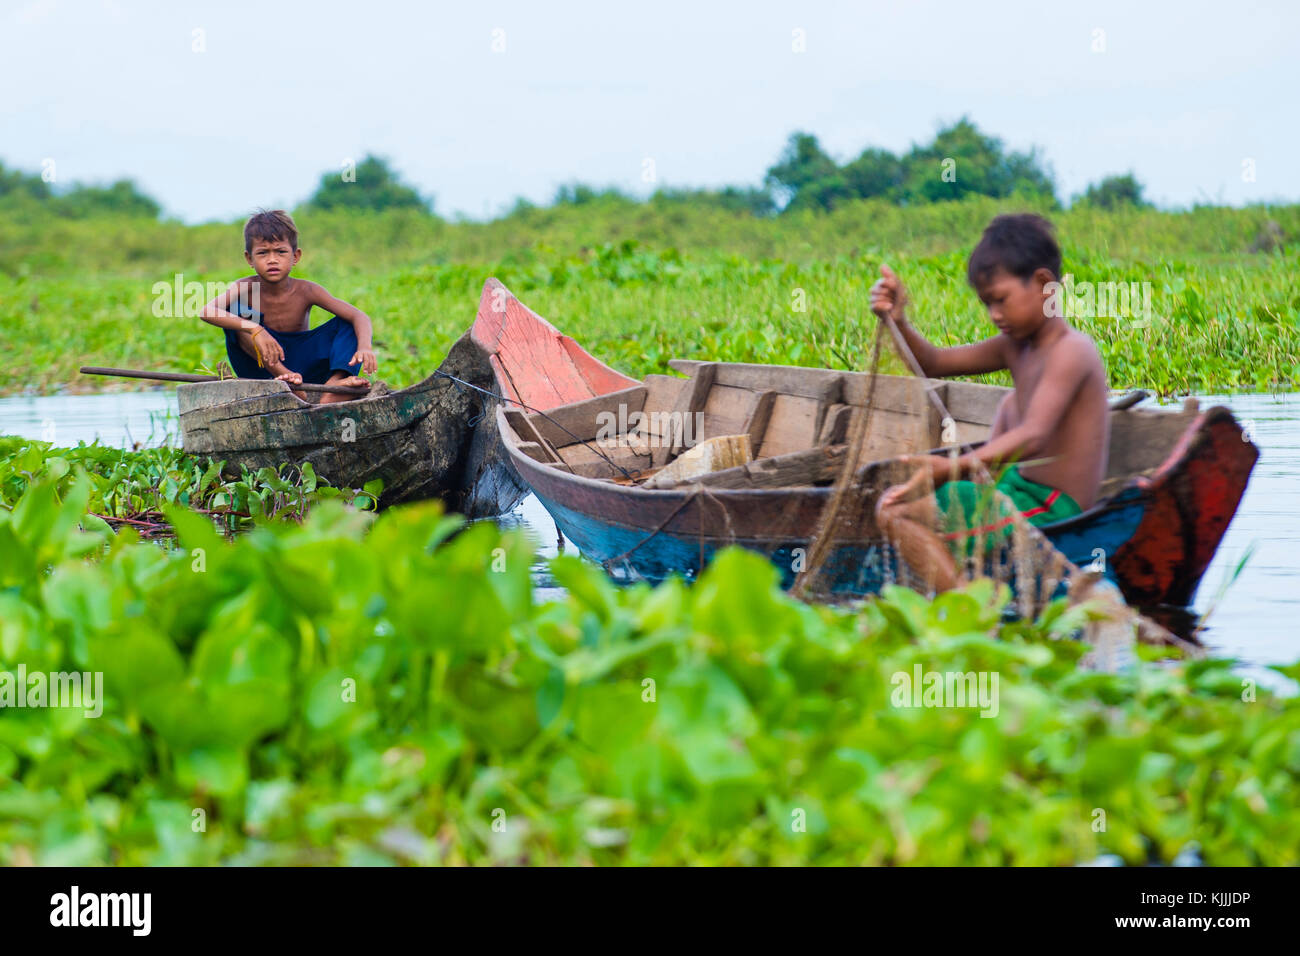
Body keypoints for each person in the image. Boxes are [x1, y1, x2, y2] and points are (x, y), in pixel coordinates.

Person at [873, 213, 1110, 592]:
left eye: (1001, 300)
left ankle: (967, 608)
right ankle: (972, 586)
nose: (995, 315)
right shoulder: (1016, 347)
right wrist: (899, 321)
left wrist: (953, 468)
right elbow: (932, 363)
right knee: (1004, 411)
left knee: (895, 510)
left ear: (1044, 285)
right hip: (1017, 487)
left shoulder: (1072, 351)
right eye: (987, 304)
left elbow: (1033, 434)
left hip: (1050, 505)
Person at [199, 210, 378, 404]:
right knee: (235, 312)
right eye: (263, 253)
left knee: (348, 322)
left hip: (306, 366)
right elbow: (207, 311)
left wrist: (365, 347)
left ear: (295, 256)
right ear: (249, 259)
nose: (272, 260)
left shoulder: (307, 290)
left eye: (281, 252)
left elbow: (359, 316)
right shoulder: (245, 287)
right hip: (263, 369)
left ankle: (333, 386)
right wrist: (255, 328)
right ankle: (288, 380)